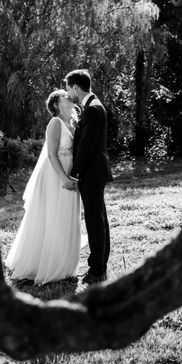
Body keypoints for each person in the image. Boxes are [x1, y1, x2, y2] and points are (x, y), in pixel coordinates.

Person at [4, 89, 81, 285]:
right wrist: (64, 178)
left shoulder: (73, 123)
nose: (69, 96)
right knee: (52, 216)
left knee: (64, 217)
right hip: (55, 174)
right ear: (56, 104)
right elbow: (52, 154)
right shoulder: (55, 123)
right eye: (65, 96)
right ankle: (44, 263)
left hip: (70, 172)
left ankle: (63, 262)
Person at [64, 69, 113, 284]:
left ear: (76, 87)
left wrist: (74, 173)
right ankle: (100, 265)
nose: (67, 93)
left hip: (92, 174)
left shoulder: (93, 109)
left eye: (68, 88)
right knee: (99, 219)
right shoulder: (92, 106)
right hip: (94, 173)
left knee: (95, 221)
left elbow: (86, 146)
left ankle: (97, 270)